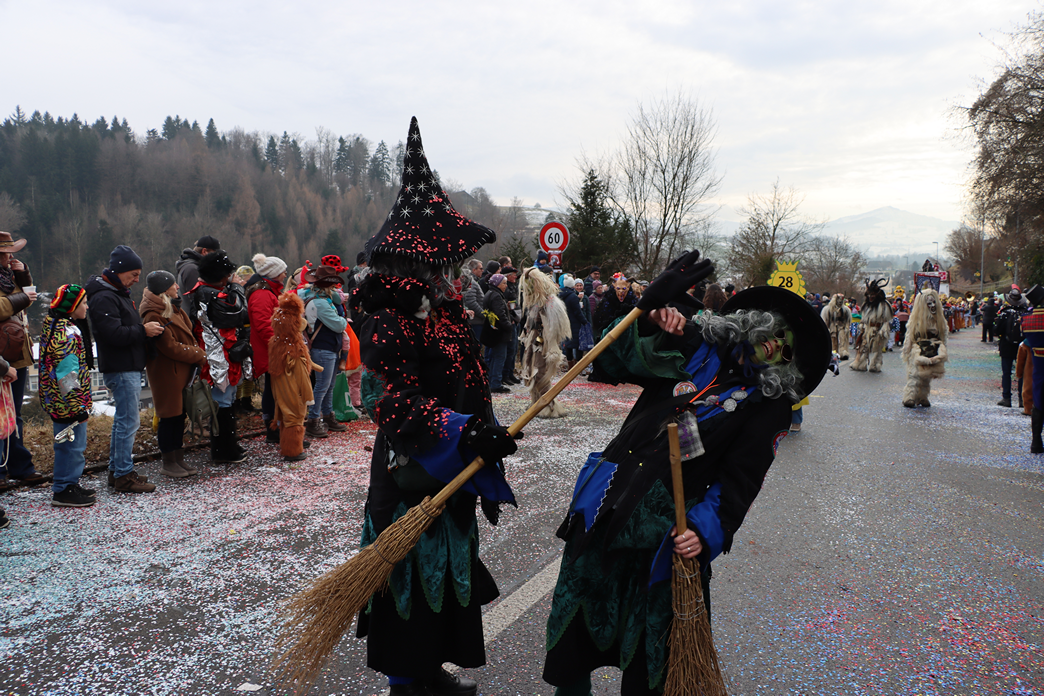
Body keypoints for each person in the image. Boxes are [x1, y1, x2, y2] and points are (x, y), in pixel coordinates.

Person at [543, 252, 830, 695]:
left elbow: (740, 481)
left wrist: (705, 529)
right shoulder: (694, 346)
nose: (774, 346)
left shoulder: (768, 405)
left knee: (651, 657)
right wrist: (645, 315)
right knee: (574, 634)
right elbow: (613, 362)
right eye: (771, 333)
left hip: (665, 533)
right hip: (606, 504)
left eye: (786, 346)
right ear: (749, 324)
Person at [350, 117, 518, 696]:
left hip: (452, 470)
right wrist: (462, 431)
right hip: (411, 474)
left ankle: (429, 672)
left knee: (444, 578)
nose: (457, 270)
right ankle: (408, 683)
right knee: (410, 579)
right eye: (449, 260)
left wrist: (486, 431)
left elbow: (468, 382)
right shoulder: (388, 317)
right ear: (419, 264)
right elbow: (387, 400)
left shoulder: (442, 314)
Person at [85, 245, 163, 493]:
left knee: (125, 421)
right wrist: (143, 330)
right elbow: (113, 334)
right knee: (127, 422)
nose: (137, 279)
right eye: (134, 274)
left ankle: (117, 470)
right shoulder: (104, 297)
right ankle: (123, 475)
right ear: (119, 271)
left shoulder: (115, 293)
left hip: (126, 364)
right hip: (121, 366)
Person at [140, 271, 207, 477]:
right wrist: (198, 354)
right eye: (173, 284)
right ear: (164, 289)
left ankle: (178, 458)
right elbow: (170, 347)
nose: (178, 287)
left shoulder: (173, 308)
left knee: (179, 417)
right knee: (169, 417)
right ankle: (169, 462)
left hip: (180, 372)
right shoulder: (154, 314)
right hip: (167, 374)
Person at [188, 250, 251, 463]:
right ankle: (223, 450)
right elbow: (237, 313)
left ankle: (229, 443)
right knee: (222, 402)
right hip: (217, 358)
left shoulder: (209, 291)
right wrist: (237, 288)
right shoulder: (208, 293)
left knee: (228, 399)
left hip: (224, 354)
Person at [38, 284, 96, 507]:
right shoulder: (66, 335)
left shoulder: (54, 324)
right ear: (71, 306)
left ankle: (70, 483)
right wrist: (77, 407)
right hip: (67, 403)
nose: (87, 307)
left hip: (57, 400)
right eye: (84, 303)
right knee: (72, 446)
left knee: (67, 444)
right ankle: (63, 489)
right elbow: (67, 375)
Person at [0, 231, 45, 490]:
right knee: (2, 416)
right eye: (6, 253)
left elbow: (23, 303)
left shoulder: (8, 276)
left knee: (14, 415)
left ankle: (19, 467)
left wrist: (24, 276)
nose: (10, 257)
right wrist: (21, 298)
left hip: (15, 354)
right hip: (2, 357)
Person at [269, 291, 322, 461]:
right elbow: (301, 376)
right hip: (292, 387)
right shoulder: (293, 350)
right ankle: (293, 450)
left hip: (281, 385)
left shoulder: (277, 343)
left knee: (286, 414)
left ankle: (289, 444)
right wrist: (307, 395)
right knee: (295, 415)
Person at [299, 265, 349, 438]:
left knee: (328, 385)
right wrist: (344, 319)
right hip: (324, 347)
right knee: (322, 386)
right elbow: (339, 325)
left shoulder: (317, 298)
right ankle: (314, 420)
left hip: (327, 346)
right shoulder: (320, 302)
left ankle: (327, 416)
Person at [247, 253, 288, 443]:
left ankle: (278, 429)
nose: (285, 274)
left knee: (277, 391)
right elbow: (264, 325)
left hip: (273, 349)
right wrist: (280, 345)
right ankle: (274, 430)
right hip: (271, 351)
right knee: (274, 392)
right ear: (273, 273)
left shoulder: (269, 291)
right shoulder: (262, 294)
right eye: (282, 271)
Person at [520, 267, 570, 418]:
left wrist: (552, 348)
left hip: (542, 344)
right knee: (532, 372)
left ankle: (548, 406)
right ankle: (537, 402)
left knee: (540, 373)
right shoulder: (535, 302)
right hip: (533, 342)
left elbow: (554, 328)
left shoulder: (549, 302)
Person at [901, 287, 948, 408]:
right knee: (914, 374)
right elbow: (909, 335)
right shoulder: (915, 319)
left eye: (934, 303)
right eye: (929, 303)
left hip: (933, 348)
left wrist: (943, 349)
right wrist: (906, 350)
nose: (932, 306)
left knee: (927, 375)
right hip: (918, 348)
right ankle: (910, 396)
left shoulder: (939, 320)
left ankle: (923, 396)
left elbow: (944, 335)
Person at [850, 278, 893, 373]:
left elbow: (886, 320)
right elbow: (863, 318)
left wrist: (884, 329)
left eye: (872, 295)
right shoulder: (866, 305)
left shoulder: (884, 306)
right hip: (867, 328)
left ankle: (875, 364)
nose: (870, 297)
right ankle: (861, 364)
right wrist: (862, 325)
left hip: (878, 329)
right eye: (869, 295)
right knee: (864, 346)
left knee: (877, 348)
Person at [483, 273, 514, 393]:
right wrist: (509, 326)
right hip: (499, 332)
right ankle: (495, 383)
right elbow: (500, 314)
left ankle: (492, 381)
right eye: (504, 283)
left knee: (494, 357)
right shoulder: (496, 296)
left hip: (494, 330)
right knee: (499, 357)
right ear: (497, 284)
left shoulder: (491, 293)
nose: (506, 285)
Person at [995, 288, 1025, 408]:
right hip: (1021, 346)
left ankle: (1006, 398)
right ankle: (1022, 399)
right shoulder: (1025, 313)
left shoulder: (1004, 312)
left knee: (1006, 373)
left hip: (1006, 345)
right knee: (1022, 373)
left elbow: (997, 330)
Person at [175, 235, 220, 306]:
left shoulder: (191, 266)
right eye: (215, 254)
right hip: (191, 313)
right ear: (204, 251)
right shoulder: (193, 269)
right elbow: (198, 302)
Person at [821, 293, 853, 360]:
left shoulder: (846, 310)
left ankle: (843, 352)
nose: (840, 302)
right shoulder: (828, 309)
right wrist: (826, 328)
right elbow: (826, 320)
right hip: (832, 327)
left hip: (842, 327)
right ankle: (833, 353)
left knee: (842, 340)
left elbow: (848, 320)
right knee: (833, 341)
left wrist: (847, 327)